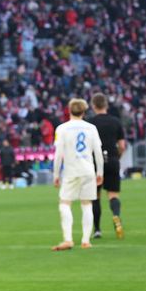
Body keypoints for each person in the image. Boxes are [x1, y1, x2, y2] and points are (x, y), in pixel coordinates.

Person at [51, 98, 103, 251]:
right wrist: (100, 171)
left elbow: (58, 154)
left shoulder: (62, 129)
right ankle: (86, 240)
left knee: (65, 203)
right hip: (88, 170)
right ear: (84, 111)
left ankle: (68, 239)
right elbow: (98, 152)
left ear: (69, 110)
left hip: (71, 171)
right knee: (87, 204)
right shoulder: (91, 128)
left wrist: (56, 174)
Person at [89, 93, 126, 239]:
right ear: (106, 105)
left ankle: (97, 229)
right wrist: (117, 157)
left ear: (93, 105)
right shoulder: (116, 122)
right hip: (112, 159)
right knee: (112, 195)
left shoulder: (90, 123)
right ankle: (116, 216)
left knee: (95, 197)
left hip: (95, 163)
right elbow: (122, 145)